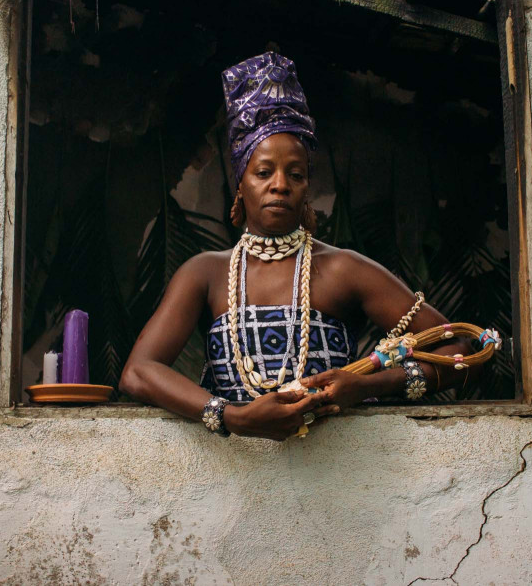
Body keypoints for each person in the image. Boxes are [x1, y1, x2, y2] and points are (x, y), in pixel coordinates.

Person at [120, 52, 476, 441]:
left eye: (296, 174)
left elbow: (464, 349)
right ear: (241, 183)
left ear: (307, 187)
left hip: (341, 476)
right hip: (232, 483)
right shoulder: (205, 273)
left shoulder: (343, 269)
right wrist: (231, 417)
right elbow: (139, 371)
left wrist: (369, 386)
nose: (280, 185)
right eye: (263, 172)